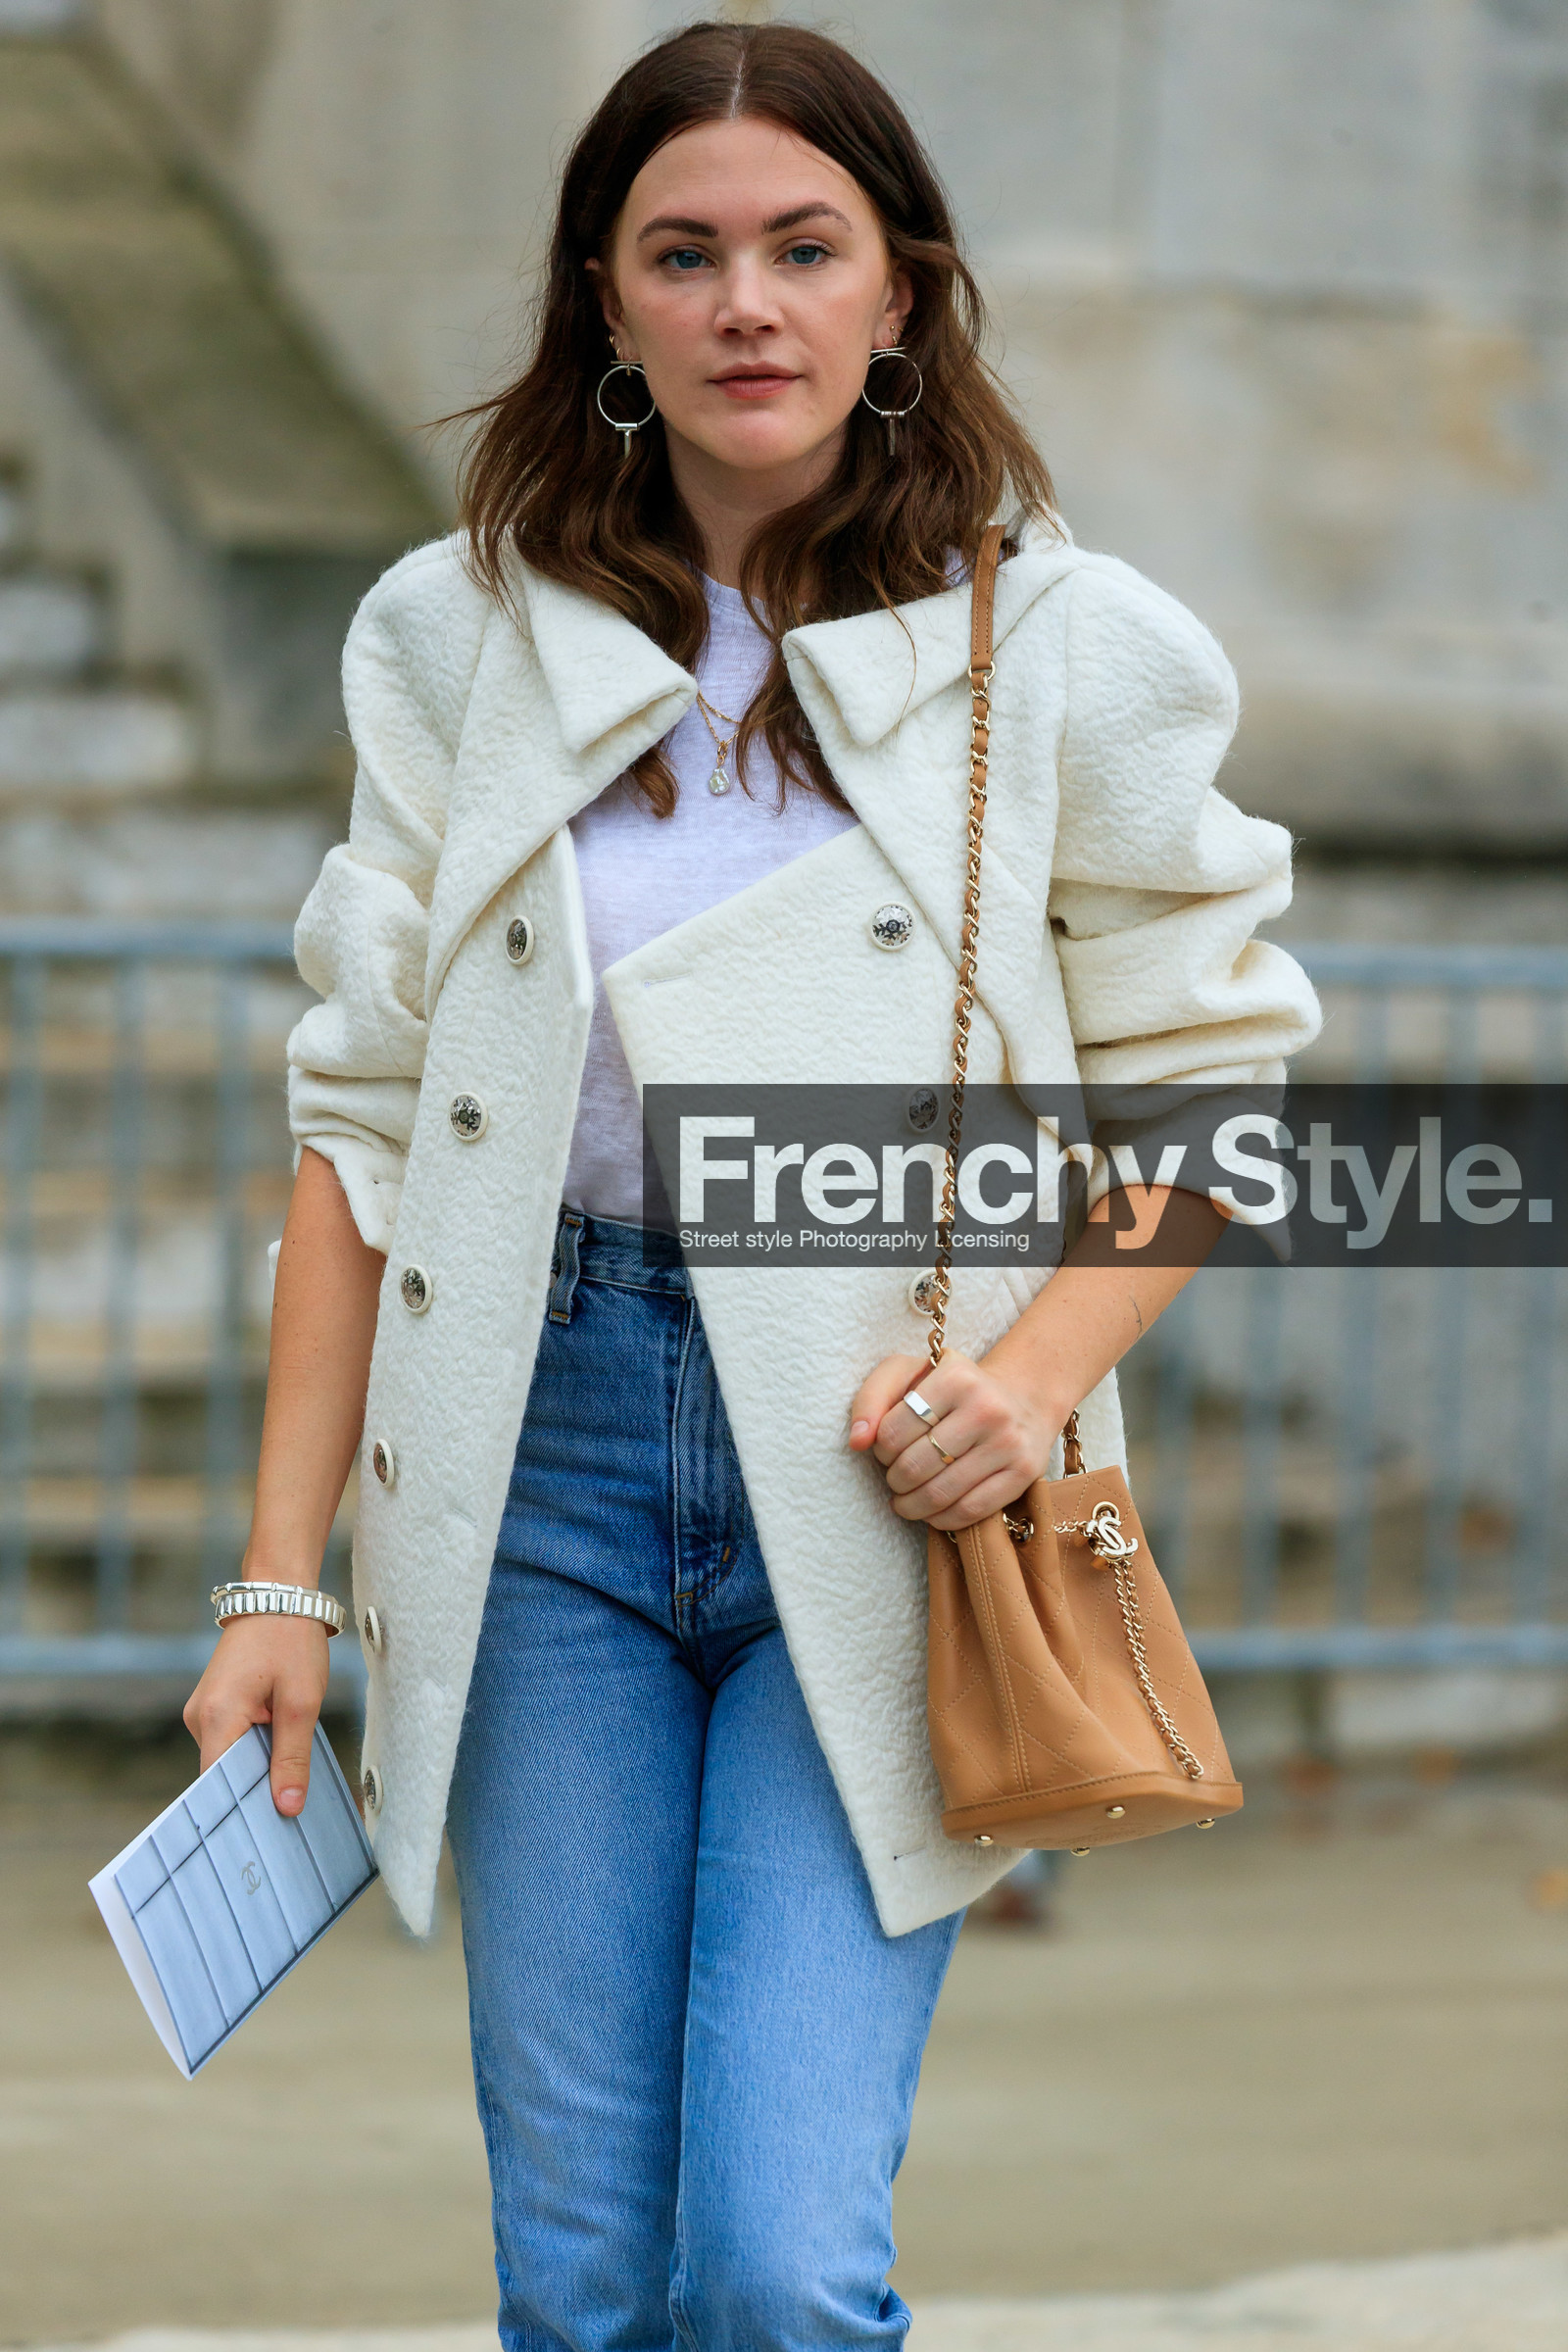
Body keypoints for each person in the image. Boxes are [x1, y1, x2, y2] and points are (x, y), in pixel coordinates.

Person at [184, 21, 1318, 2349]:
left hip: (891, 1495)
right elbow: (364, 1133)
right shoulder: (453, 636)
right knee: (584, 2280)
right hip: (539, 1471)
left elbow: (1209, 1095)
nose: (745, 307)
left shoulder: (1064, 653)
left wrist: (1026, 1380)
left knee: (779, 2272)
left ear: (900, 291)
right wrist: (272, 1579)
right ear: (602, 302)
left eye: (804, 251)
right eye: (679, 255)